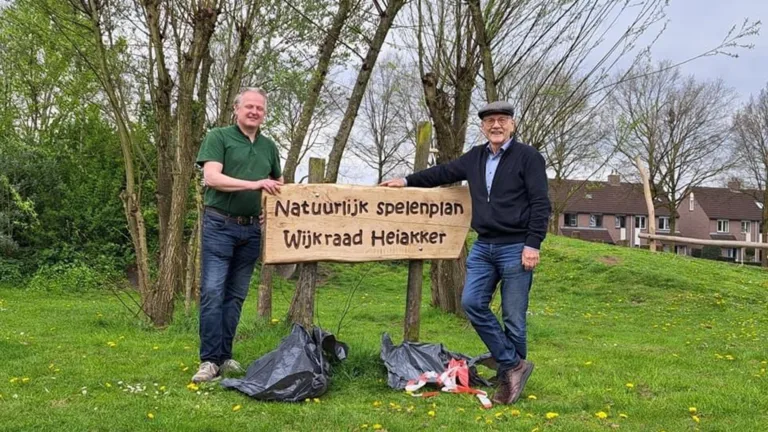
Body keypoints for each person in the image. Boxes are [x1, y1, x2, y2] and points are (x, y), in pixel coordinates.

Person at [380, 101, 551, 404]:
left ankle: (508, 377)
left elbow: (540, 203)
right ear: (483, 128)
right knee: (472, 302)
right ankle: (514, 365)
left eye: (501, 120)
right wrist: (406, 180)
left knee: (513, 318)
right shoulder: (475, 157)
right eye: (489, 122)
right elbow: (442, 172)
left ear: (512, 125)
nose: (495, 126)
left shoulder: (528, 157)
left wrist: (532, 244)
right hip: (484, 245)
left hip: (516, 246)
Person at [192, 87, 283, 383]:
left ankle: (226, 357)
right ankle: (208, 361)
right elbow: (212, 177)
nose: (254, 112)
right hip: (220, 224)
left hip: (251, 230)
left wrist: (267, 210)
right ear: (236, 109)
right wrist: (255, 184)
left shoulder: (269, 147)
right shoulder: (218, 137)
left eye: (260, 108)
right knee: (213, 292)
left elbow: (278, 185)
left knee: (235, 297)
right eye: (249, 107)